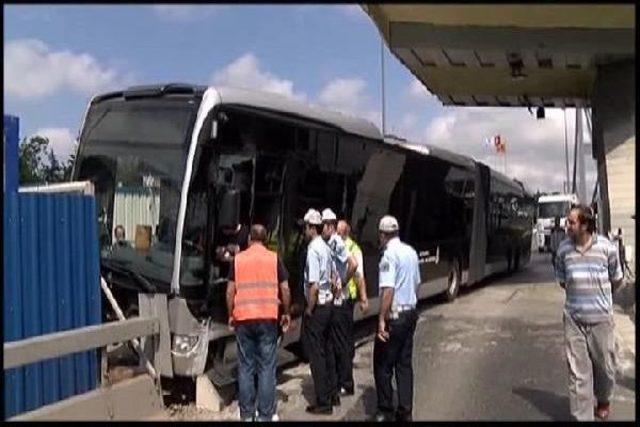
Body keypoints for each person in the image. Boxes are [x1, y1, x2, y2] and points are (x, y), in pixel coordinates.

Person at [555, 205, 624, 421]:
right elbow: (563, 281)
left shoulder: (607, 248)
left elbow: (617, 278)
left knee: (605, 367)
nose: (567, 226)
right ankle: (582, 416)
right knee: (578, 373)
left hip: (601, 319)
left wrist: (599, 299)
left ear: (585, 225)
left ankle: (603, 399)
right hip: (574, 319)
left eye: (571, 222)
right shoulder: (563, 250)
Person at [226, 224, 291, 422]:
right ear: (266, 239)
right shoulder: (274, 258)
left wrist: (231, 314)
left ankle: (246, 415)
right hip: (267, 318)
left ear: (249, 240)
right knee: (266, 367)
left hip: (243, 318)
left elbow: (230, 291)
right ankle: (265, 415)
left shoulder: (238, 260)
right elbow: (285, 289)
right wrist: (286, 312)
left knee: (245, 367)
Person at [374, 215, 420, 422]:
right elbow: (417, 283)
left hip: (395, 315)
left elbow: (388, 290)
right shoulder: (410, 252)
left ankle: (385, 410)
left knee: (382, 364)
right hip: (410, 312)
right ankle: (405, 410)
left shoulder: (388, 256)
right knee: (404, 363)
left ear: (383, 235)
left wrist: (382, 319)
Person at [301, 208, 338, 415]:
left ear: (310, 227)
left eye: (305, 227)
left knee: (317, 355)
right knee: (328, 349)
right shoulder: (325, 247)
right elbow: (333, 278)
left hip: (319, 307)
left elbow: (313, 285)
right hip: (329, 304)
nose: (304, 231)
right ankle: (333, 393)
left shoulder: (313, 250)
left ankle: (323, 401)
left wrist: (309, 308)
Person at [321, 209, 358, 401]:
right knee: (336, 344)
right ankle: (340, 382)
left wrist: (342, 283)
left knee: (340, 344)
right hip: (337, 300)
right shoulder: (330, 242)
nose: (321, 230)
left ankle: (346, 383)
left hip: (340, 301)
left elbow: (352, 264)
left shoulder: (335, 241)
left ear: (330, 225)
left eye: (323, 226)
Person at [335, 218, 369, 397]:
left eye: (337, 231)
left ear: (344, 233)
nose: (335, 234)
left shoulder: (351, 249)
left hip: (346, 300)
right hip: (342, 300)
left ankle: (345, 382)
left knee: (344, 342)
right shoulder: (342, 246)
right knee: (344, 340)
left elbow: (359, 276)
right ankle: (342, 379)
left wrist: (363, 299)